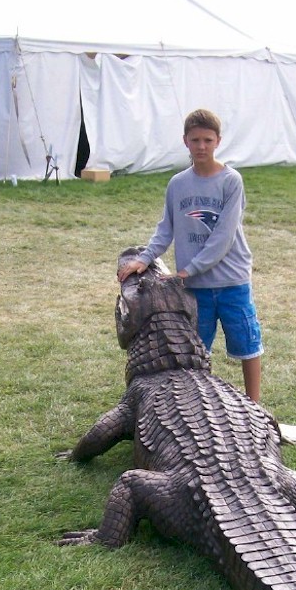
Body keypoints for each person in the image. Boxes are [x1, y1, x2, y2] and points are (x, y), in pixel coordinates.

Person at [118, 108, 263, 401]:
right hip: (196, 289)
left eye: (207, 140)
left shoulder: (231, 181)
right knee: (195, 351)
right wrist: (144, 259)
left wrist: (186, 271)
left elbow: (223, 237)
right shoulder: (178, 184)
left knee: (247, 344)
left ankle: (255, 404)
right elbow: (166, 229)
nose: (201, 146)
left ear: (218, 141)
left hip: (231, 282)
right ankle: (200, 404)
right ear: (185, 141)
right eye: (195, 140)